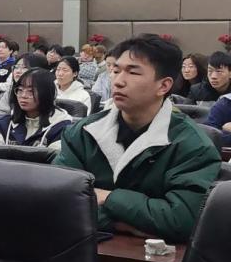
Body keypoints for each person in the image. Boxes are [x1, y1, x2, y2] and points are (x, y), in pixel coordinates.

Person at [53, 35, 221, 243]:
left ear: (164, 86)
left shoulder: (193, 145)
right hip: (78, 250)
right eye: (116, 71)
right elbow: (58, 201)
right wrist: (122, 223)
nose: (118, 81)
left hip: (153, 261)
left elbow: (180, 221)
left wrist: (108, 197)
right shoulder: (83, 132)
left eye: (132, 72)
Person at [0, 68, 72, 151]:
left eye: (31, 91)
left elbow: (55, 158)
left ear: (46, 93)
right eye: (20, 90)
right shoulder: (5, 123)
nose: (23, 96)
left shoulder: (61, 126)